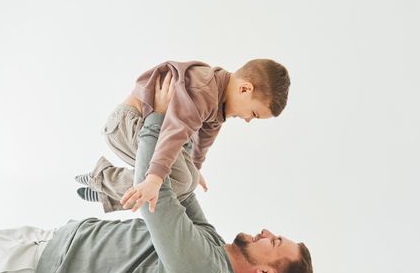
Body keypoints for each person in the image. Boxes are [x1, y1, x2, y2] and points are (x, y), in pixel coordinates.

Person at [0, 81, 314, 273]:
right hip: (47, 244)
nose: (267, 231)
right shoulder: (215, 249)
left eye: (276, 241)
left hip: (30, 271)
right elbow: (182, 192)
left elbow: (156, 197)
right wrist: (189, 128)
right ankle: (105, 182)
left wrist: (158, 116)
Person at [75, 59, 290, 213]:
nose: (248, 120)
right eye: (253, 114)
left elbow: (204, 140)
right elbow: (174, 133)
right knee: (177, 182)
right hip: (125, 125)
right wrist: (153, 178)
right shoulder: (204, 89)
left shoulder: (220, 102)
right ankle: (101, 179)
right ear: (245, 89)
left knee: (187, 181)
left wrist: (194, 168)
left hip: (148, 130)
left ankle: (106, 191)